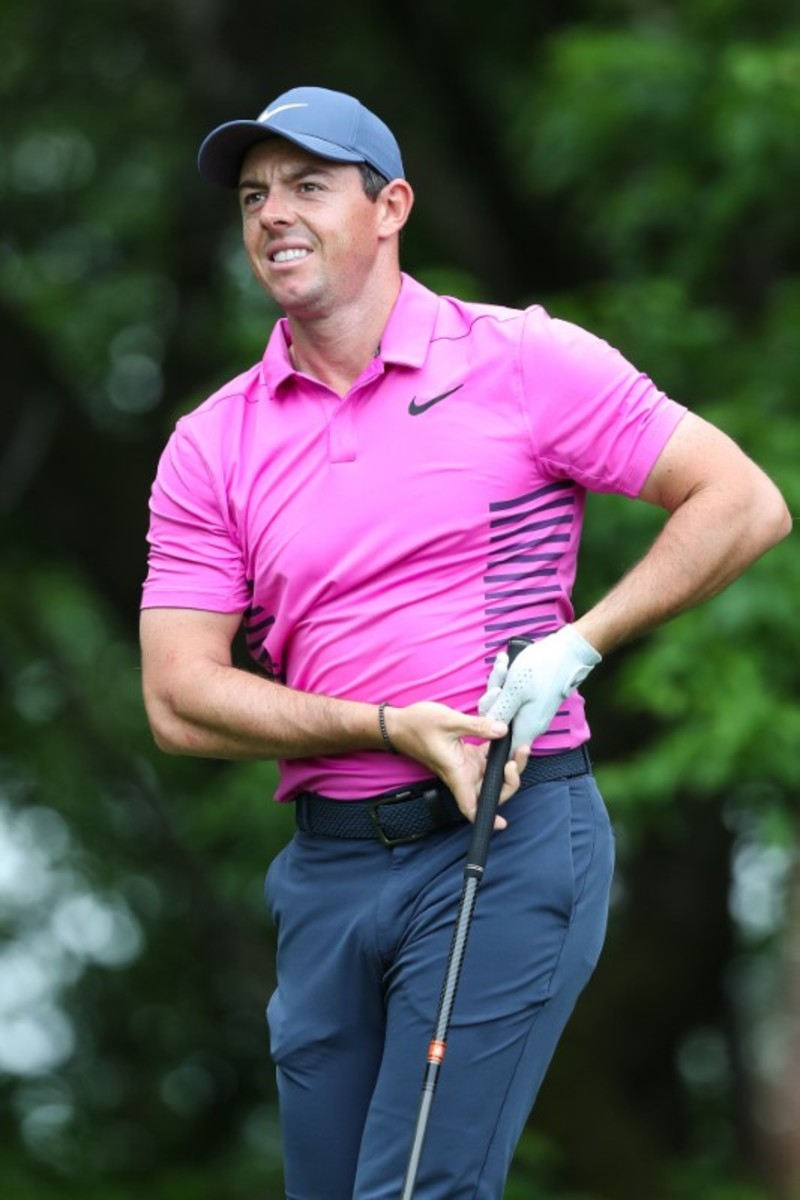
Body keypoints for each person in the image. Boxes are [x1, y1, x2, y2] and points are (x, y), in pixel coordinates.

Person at [139, 86, 791, 1199]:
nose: (272, 213)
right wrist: (386, 726)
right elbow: (177, 698)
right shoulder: (213, 444)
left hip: (502, 834)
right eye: (253, 195)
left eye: (307, 186)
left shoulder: (521, 360)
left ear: (390, 206)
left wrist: (578, 644)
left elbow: (742, 501)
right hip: (327, 869)